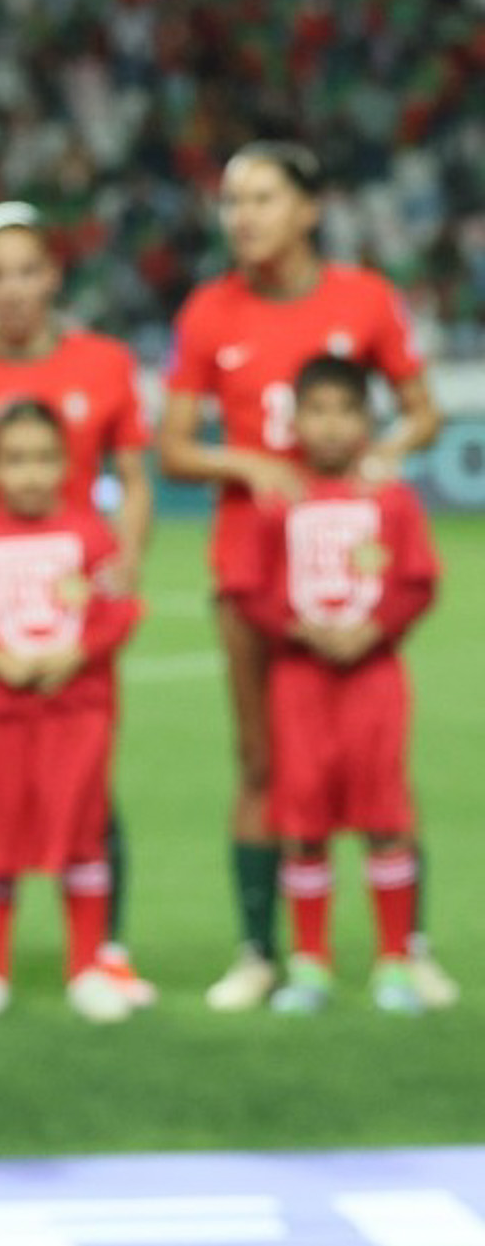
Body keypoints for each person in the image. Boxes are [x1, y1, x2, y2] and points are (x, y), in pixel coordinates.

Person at [159, 141, 446, 1012]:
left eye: (263, 198)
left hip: (350, 566)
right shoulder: (210, 311)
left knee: (379, 763)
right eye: (233, 201)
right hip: (253, 569)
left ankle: (408, 949)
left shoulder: (364, 299)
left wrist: (382, 456)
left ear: (309, 209)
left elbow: (423, 411)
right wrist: (247, 462)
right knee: (261, 761)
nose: (242, 216)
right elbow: (174, 446)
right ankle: (261, 952)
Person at [0, 202, 155, 1009]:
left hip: (74, 616)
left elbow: (134, 477)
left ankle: (102, 953)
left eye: (28, 270)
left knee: (86, 789)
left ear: (53, 275)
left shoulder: (104, 363)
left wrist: (125, 562)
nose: (14, 288)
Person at [225, 356, 443, 1015]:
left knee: (385, 816)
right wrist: (297, 627)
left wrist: (375, 627)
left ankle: (395, 960)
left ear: (368, 421)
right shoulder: (278, 502)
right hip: (299, 681)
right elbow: (251, 589)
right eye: (317, 411)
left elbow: (418, 581)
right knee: (305, 820)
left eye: (346, 411)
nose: (331, 425)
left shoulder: (390, 500)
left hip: (374, 680)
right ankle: (311, 962)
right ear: (294, 421)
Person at [0, 401, 142, 1024]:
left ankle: (88, 968)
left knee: (83, 830)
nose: (31, 473)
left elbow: (119, 610)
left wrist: (81, 651)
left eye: (45, 458)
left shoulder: (92, 536)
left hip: (77, 710)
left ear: (68, 465)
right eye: (16, 459)